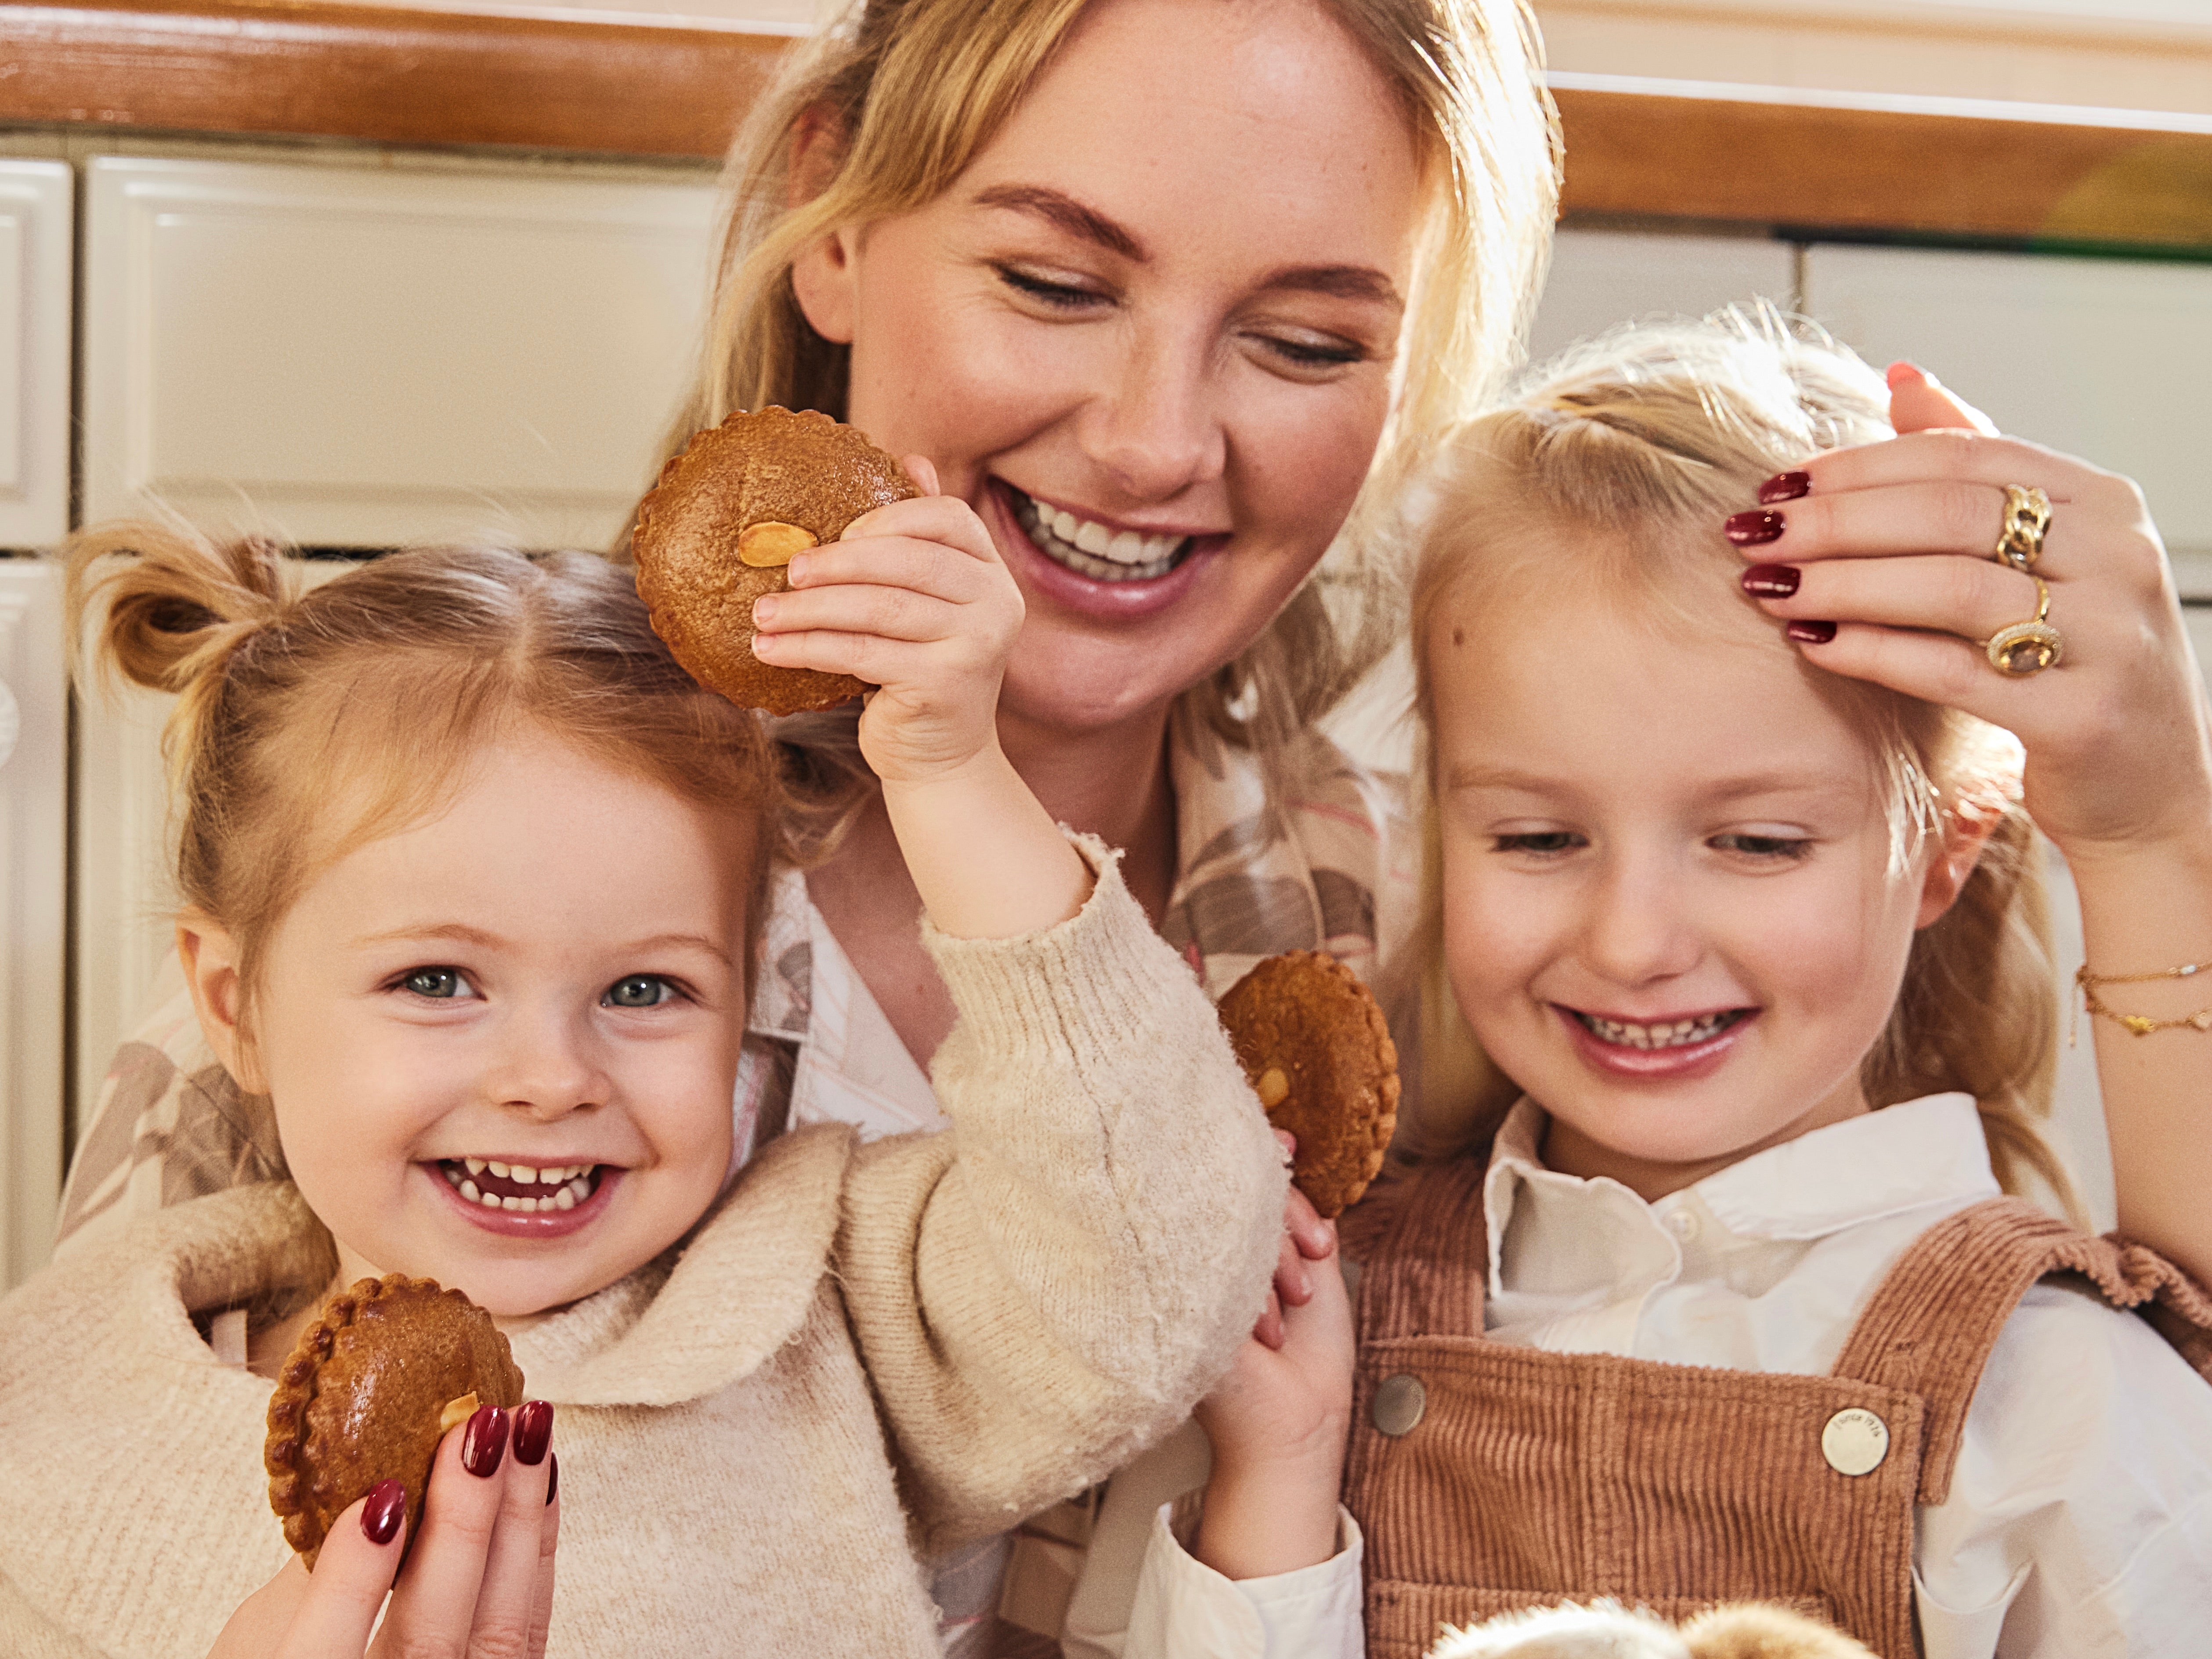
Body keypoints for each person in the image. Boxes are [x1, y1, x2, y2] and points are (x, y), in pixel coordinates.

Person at [51, 0, 2212, 1646]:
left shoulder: (1451, 878)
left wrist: (2139, 826)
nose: (1155, 441)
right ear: (834, 211)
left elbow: (2050, 1395)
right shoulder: (466, 788)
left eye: (1298, 335)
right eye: (1057, 286)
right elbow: (105, 1478)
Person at [0, 502, 1290, 1657]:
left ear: (751, 1006)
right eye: (438, 980)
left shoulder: (818, 1298)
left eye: (644, 990)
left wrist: (953, 777)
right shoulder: (62, 1401)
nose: (550, 1077)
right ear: (233, 1007)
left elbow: (1153, 1258)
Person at [1158, 314, 2212, 1658]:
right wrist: (1279, 1482)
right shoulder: (1307, 1327)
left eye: (1756, 842)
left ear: (1941, 849)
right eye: (1538, 838)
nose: (1633, 940)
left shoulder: (2057, 1391)